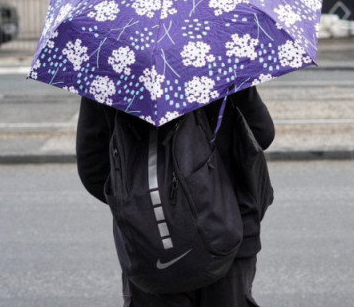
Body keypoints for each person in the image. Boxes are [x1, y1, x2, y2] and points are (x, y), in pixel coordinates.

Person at [76, 86, 274, 307]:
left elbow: (93, 167)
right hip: (230, 232)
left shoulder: (108, 74)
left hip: (149, 244)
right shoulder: (220, 66)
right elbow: (261, 133)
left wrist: (143, 206)